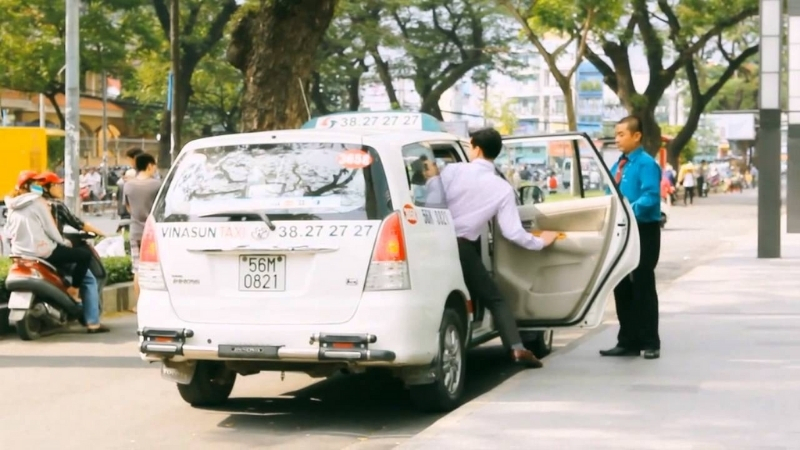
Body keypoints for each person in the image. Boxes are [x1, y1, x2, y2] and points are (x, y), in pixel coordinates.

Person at [426, 128, 559, 369]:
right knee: (495, 299)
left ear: (475, 147)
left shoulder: (453, 171)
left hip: (431, 244)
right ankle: (517, 348)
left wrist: (433, 178)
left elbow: (432, 203)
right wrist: (541, 242)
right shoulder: (502, 188)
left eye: (470, 145)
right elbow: (512, 232)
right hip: (463, 249)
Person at [600, 116, 662, 360]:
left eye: (622, 134)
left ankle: (650, 341)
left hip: (643, 230)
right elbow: (609, 192)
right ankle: (627, 340)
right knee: (622, 285)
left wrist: (628, 211)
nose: (617, 139)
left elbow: (651, 197)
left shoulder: (646, 164)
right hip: (621, 229)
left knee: (643, 285)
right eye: (616, 134)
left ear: (637, 136)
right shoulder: (619, 165)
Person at [36, 171, 110, 333]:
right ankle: (92, 322)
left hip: (32, 252)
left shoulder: (34, 204)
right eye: (58, 185)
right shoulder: (56, 205)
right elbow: (79, 224)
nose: (61, 188)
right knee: (89, 279)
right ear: (48, 187)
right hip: (53, 251)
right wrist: (103, 233)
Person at [3, 170, 92, 303]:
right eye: (35, 183)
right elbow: (50, 228)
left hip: (20, 254)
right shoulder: (38, 202)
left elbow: (8, 231)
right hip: (41, 252)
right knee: (85, 255)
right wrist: (64, 242)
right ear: (27, 186)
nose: (38, 185)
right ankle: (74, 289)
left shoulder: (11, 205)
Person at [124, 153, 162, 310]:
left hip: (135, 231)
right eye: (154, 166)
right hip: (153, 233)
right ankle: (155, 304)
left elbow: (127, 207)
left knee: (138, 269)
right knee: (156, 268)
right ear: (149, 166)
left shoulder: (128, 185)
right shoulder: (156, 185)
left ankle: (138, 304)